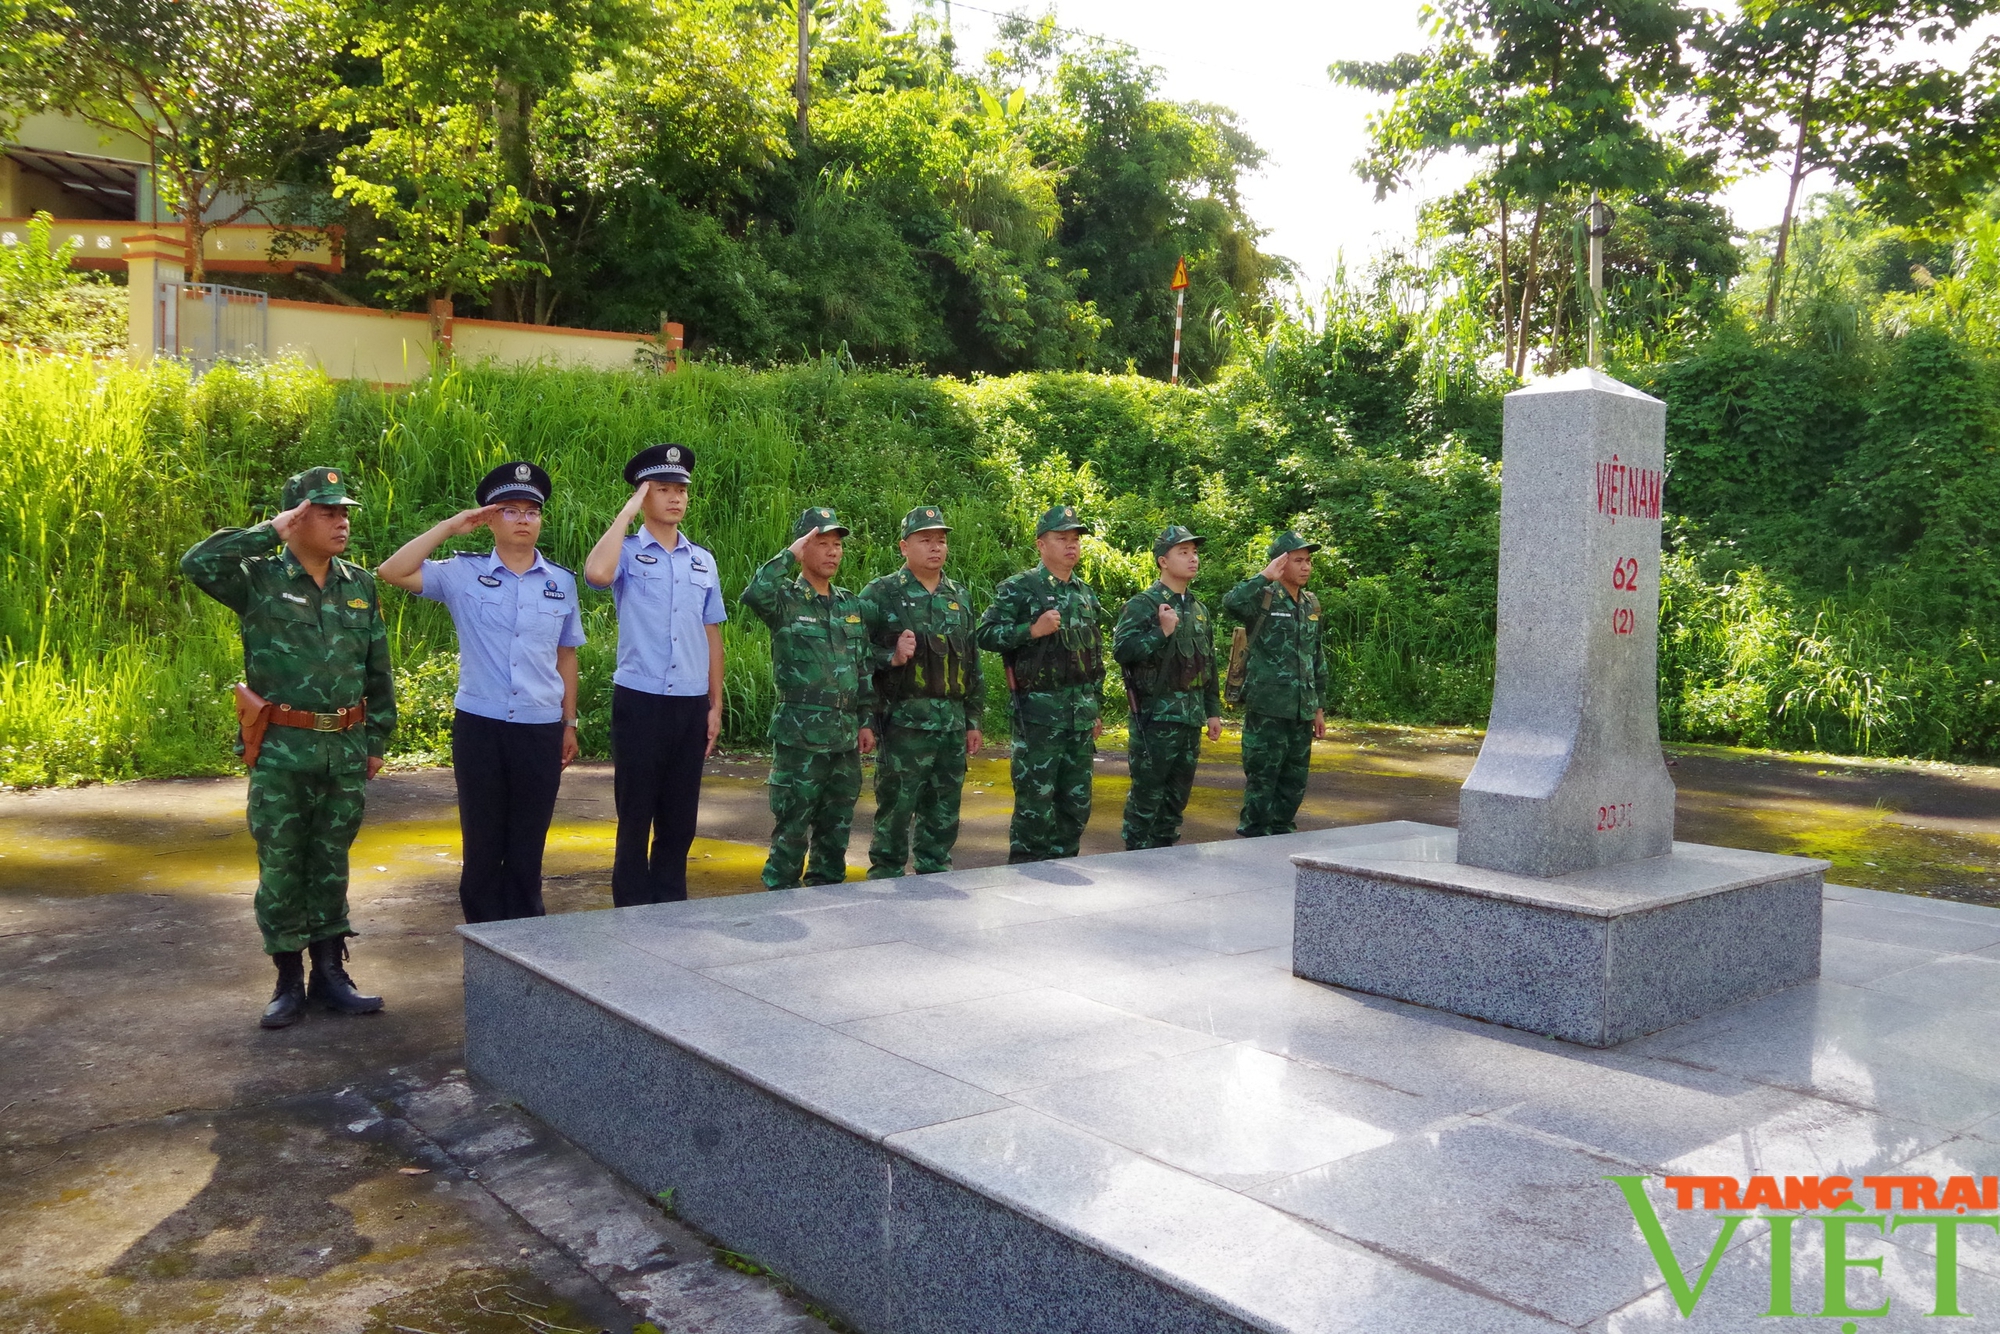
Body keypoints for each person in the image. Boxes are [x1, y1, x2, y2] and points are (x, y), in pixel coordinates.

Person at [180, 466, 396, 1029]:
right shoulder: (257, 580)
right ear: (296, 519)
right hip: (281, 750)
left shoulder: (359, 584)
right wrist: (268, 532)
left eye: (344, 511)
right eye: (326, 511)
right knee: (281, 866)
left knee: (330, 864)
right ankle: (286, 981)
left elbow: (378, 667)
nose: (341, 521)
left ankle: (330, 974)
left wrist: (377, 738)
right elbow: (197, 564)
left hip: (344, 749)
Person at [376, 462, 584, 924]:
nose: (524, 519)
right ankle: (485, 943)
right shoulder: (461, 574)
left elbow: (566, 655)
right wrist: (451, 527)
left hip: (540, 726)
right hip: (481, 728)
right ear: (490, 519)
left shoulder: (561, 583)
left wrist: (569, 722)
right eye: (510, 510)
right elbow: (393, 570)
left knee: (529, 846)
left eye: (532, 510)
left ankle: (526, 943)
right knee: (483, 844)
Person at [583, 444, 727, 906]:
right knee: (636, 812)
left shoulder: (702, 560)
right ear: (643, 497)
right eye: (662, 489)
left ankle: (670, 904)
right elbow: (597, 574)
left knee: (680, 816)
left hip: (689, 701)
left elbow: (711, 633)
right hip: (640, 699)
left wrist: (714, 704)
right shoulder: (624, 552)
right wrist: (625, 514)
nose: (675, 498)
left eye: (681, 489)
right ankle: (630, 905)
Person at [740, 508, 880, 888]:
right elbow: (754, 594)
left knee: (837, 828)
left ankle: (827, 898)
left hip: (844, 734)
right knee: (792, 826)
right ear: (804, 548)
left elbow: (862, 667)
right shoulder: (785, 600)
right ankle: (779, 896)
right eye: (822, 544)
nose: (833, 552)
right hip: (800, 735)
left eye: (837, 546)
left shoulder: (849, 605)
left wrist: (867, 719)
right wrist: (788, 555)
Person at [976, 504, 1105, 863]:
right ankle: (1027, 873)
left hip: (1079, 718)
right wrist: (1031, 631)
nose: (1071, 546)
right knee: (1036, 805)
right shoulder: (1020, 589)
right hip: (1038, 719)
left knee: (1076, 804)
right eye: (1061, 538)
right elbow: (985, 634)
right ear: (1041, 545)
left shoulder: (1085, 593)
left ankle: (1064, 869)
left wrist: (1095, 707)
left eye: (1075, 539)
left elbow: (1092, 658)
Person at [861, 506, 983, 878]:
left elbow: (972, 662)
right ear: (904, 546)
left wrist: (973, 719)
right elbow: (854, 656)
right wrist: (892, 657)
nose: (935, 548)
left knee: (944, 811)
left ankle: (935, 877)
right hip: (903, 724)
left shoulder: (958, 595)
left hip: (950, 724)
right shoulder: (881, 594)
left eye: (941, 541)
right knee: (896, 809)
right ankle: (886, 877)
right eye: (925, 540)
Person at [1113, 525, 1222, 850]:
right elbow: (1123, 651)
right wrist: (1160, 633)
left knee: (1176, 802)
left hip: (1190, 720)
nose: (1193, 558)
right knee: (1146, 800)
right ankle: (1135, 863)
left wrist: (1212, 712)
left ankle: (1165, 865)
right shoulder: (1143, 605)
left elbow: (1208, 665)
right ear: (1163, 560)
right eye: (1183, 552)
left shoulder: (1199, 610)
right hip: (1155, 719)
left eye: (1195, 552)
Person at [1224, 530, 1328, 838]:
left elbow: (1316, 658)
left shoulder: (1311, 604)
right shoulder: (1264, 597)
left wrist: (1319, 707)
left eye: (1308, 560)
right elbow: (1231, 602)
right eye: (1298, 560)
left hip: (1301, 710)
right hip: (1268, 708)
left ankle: (1282, 840)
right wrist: (1264, 577)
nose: (1306, 566)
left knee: (1293, 785)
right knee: (1262, 782)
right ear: (1281, 564)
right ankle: (1253, 842)